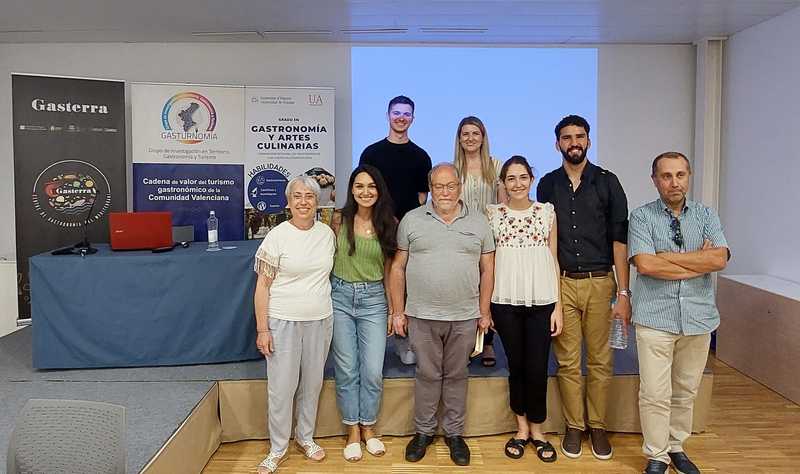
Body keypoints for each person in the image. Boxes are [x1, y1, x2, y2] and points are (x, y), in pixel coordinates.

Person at [536, 115, 631, 460]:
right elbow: (545, 237)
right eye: (566, 137)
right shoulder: (547, 185)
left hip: (600, 283)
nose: (573, 142)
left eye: (579, 136)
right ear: (557, 143)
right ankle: (575, 426)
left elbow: (620, 241)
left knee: (602, 361)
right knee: (568, 362)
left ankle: (599, 425)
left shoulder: (608, 182)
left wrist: (623, 293)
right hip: (562, 284)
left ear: (588, 141)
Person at [628, 152, 729, 474]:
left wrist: (667, 259)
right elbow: (645, 264)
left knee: (685, 390)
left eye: (680, 174)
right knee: (655, 392)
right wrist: (695, 261)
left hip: (699, 318)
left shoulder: (706, 215)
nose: (674, 182)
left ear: (689, 176)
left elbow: (719, 260)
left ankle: (676, 446)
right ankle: (657, 455)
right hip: (655, 317)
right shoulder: (642, 217)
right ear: (655, 179)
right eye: (667, 175)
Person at [389, 163, 495, 467]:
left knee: (458, 375)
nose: (445, 192)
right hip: (421, 315)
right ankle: (423, 432)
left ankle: (454, 434)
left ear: (460, 188)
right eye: (438, 186)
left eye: (450, 186)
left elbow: (488, 269)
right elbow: (397, 267)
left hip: (465, 315)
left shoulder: (478, 222)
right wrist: (398, 310)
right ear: (430, 188)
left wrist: (484, 311)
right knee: (427, 375)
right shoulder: (411, 220)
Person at [253, 176, 336, 474]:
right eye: (297, 196)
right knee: (281, 388)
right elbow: (262, 287)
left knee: (312, 384)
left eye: (309, 196)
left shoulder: (328, 234)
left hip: (320, 319)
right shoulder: (276, 236)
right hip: (282, 322)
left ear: (317, 201)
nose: (303, 201)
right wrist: (263, 329)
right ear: (288, 203)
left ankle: (306, 437)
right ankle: (277, 449)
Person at [487, 156, 562, 463]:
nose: (517, 184)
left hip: (542, 301)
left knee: (537, 367)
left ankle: (538, 430)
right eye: (510, 178)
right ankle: (521, 429)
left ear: (532, 179)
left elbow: (554, 259)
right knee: (516, 366)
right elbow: (487, 265)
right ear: (502, 184)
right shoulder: (493, 215)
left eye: (522, 177)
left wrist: (557, 306)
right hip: (505, 301)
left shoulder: (546, 213)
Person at [330, 165, 397, 462]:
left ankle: (368, 427)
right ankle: (352, 432)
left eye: (371, 186)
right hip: (340, 298)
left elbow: (389, 271)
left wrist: (393, 308)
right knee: (347, 370)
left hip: (373, 302)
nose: (365, 191)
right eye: (359, 186)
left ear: (379, 190)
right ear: (351, 190)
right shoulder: (337, 220)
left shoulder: (389, 223)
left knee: (371, 371)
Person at [359, 95, 433, 365]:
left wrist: (407, 223)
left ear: (413, 118)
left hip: (408, 229)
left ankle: (404, 342)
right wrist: (384, 218)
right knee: (374, 285)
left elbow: (422, 198)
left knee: (404, 286)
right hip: (375, 226)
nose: (401, 117)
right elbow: (364, 189)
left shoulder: (421, 156)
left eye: (406, 114)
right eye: (396, 113)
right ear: (388, 115)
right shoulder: (371, 153)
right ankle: (375, 343)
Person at [452, 115, 507, 367]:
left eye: (475, 133)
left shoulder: (496, 166)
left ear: (483, 137)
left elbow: (504, 205)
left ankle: (487, 344)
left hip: (490, 238)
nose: (470, 138)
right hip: (460, 238)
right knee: (465, 290)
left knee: (489, 289)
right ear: (459, 139)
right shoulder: (452, 169)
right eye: (465, 134)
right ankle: (464, 345)